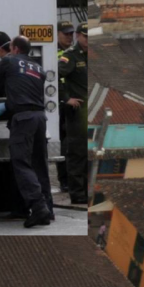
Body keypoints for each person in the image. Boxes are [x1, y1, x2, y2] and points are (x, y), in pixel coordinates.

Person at [0, 33, 53, 228]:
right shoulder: (38, 68)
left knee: (21, 163)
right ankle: (48, 209)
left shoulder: (10, 61)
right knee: (39, 163)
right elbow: (27, 92)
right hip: (40, 118)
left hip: (22, 119)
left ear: (14, 49)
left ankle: (38, 208)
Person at [58, 22, 89, 205]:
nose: (88, 40)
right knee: (77, 154)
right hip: (77, 114)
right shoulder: (70, 56)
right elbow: (56, 76)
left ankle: (86, 191)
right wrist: (65, 98)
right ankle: (77, 194)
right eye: (85, 37)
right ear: (78, 36)